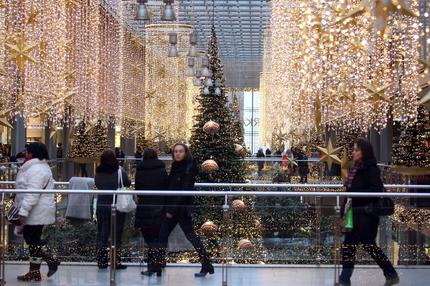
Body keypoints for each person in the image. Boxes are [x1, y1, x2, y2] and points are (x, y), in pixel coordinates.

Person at [338, 138, 399, 286]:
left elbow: (376, 191)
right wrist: (342, 213)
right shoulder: (356, 168)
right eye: (353, 149)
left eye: (356, 150)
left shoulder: (370, 169)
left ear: (364, 151)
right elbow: (348, 193)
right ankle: (344, 279)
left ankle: (390, 273)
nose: (353, 152)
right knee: (351, 246)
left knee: (367, 245)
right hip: (354, 214)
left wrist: (354, 191)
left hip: (366, 215)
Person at [156, 143, 213, 277]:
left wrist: (171, 210)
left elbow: (184, 191)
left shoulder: (189, 167)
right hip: (175, 208)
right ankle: (157, 265)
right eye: (175, 151)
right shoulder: (177, 167)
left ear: (186, 153)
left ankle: (206, 264)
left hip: (180, 209)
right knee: (163, 236)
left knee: (190, 237)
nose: (177, 154)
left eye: (181, 151)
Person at [14, 142, 60, 282]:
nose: (25, 154)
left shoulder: (37, 170)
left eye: (27, 151)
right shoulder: (38, 167)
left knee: (33, 240)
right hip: (38, 211)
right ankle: (35, 272)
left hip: (36, 212)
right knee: (32, 240)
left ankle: (51, 260)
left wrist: (23, 212)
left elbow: (32, 193)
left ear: (32, 153)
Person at [95, 150, 131, 270]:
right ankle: (116, 262)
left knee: (102, 234)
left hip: (102, 206)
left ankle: (101, 261)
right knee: (117, 235)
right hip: (117, 206)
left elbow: (97, 184)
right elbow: (127, 183)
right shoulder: (119, 171)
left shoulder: (98, 172)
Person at [135, 148, 168, 276]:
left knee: (149, 239)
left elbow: (138, 189)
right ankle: (157, 265)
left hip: (144, 207)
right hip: (159, 207)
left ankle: (153, 266)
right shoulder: (161, 170)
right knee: (157, 238)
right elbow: (165, 187)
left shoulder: (140, 170)